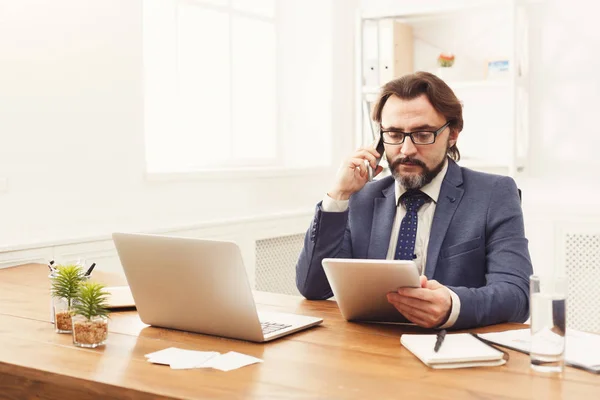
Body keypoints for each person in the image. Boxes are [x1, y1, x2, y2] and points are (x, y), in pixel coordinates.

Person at [295, 71, 532, 330]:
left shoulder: (493, 194)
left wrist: (452, 306)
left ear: (452, 134)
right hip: (370, 347)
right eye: (394, 135)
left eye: (423, 134)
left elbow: (516, 295)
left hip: (449, 350)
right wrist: (337, 197)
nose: (406, 150)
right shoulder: (361, 197)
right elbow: (313, 287)